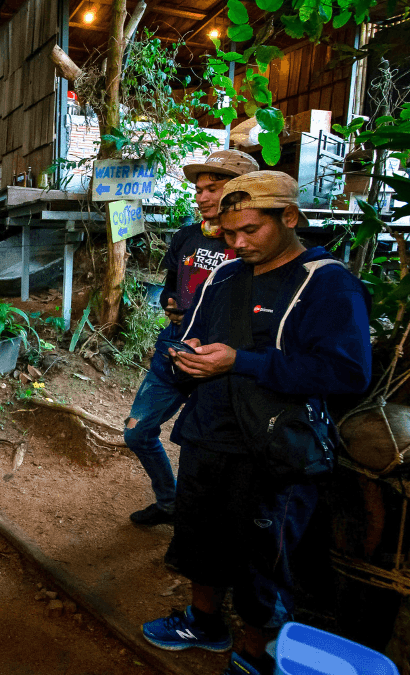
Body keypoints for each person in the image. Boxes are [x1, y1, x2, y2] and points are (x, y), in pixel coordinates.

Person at [141, 171, 372, 675]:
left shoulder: (327, 283)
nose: (238, 243)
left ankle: (254, 650)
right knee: (200, 532)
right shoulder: (225, 276)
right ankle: (204, 622)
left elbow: (348, 372)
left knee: (264, 552)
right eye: (228, 233)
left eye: (250, 230)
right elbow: (195, 332)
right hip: (210, 432)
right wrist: (188, 354)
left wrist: (241, 362)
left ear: (289, 217)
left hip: (276, 449)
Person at [124, 149, 259, 526]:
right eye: (199, 189)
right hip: (175, 349)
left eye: (212, 188)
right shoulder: (185, 238)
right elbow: (171, 286)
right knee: (138, 434)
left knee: (207, 453)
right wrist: (170, 301)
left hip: (222, 365)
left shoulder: (253, 246)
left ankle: (202, 523)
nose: (200, 197)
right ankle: (170, 502)